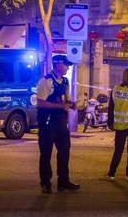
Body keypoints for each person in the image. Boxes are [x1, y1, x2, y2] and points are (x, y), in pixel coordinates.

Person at [36, 55, 80, 194]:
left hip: (61, 123)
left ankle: (63, 182)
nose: (68, 67)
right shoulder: (46, 81)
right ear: (57, 65)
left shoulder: (65, 81)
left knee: (64, 152)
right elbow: (41, 102)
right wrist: (60, 107)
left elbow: (65, 100)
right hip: (48, 122)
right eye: (66, 65)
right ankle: (45, 183)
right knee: (46, 154)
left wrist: (72, 104)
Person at [106, 68, 128, 181]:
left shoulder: (115, 89)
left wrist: (110, 122)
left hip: (120, 124)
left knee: (118, 149)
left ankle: (111, 174)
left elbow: (111, 107)